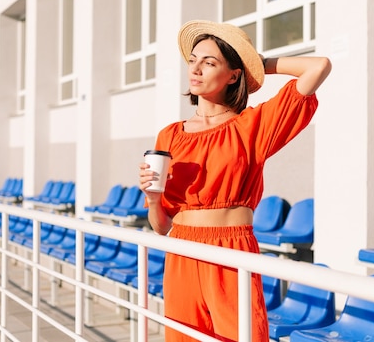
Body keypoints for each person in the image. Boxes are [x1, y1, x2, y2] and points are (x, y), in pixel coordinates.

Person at [139, 20, 331, 342]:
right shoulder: (170, 135)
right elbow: (161, 226)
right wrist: (154, 197)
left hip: (232, 245)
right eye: (193, 60)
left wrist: (256, 63)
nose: (196, 69)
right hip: (181, 249)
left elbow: (317, 67)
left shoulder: (252, 125)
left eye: (210, 62)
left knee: (242, 335)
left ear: (233, 74)